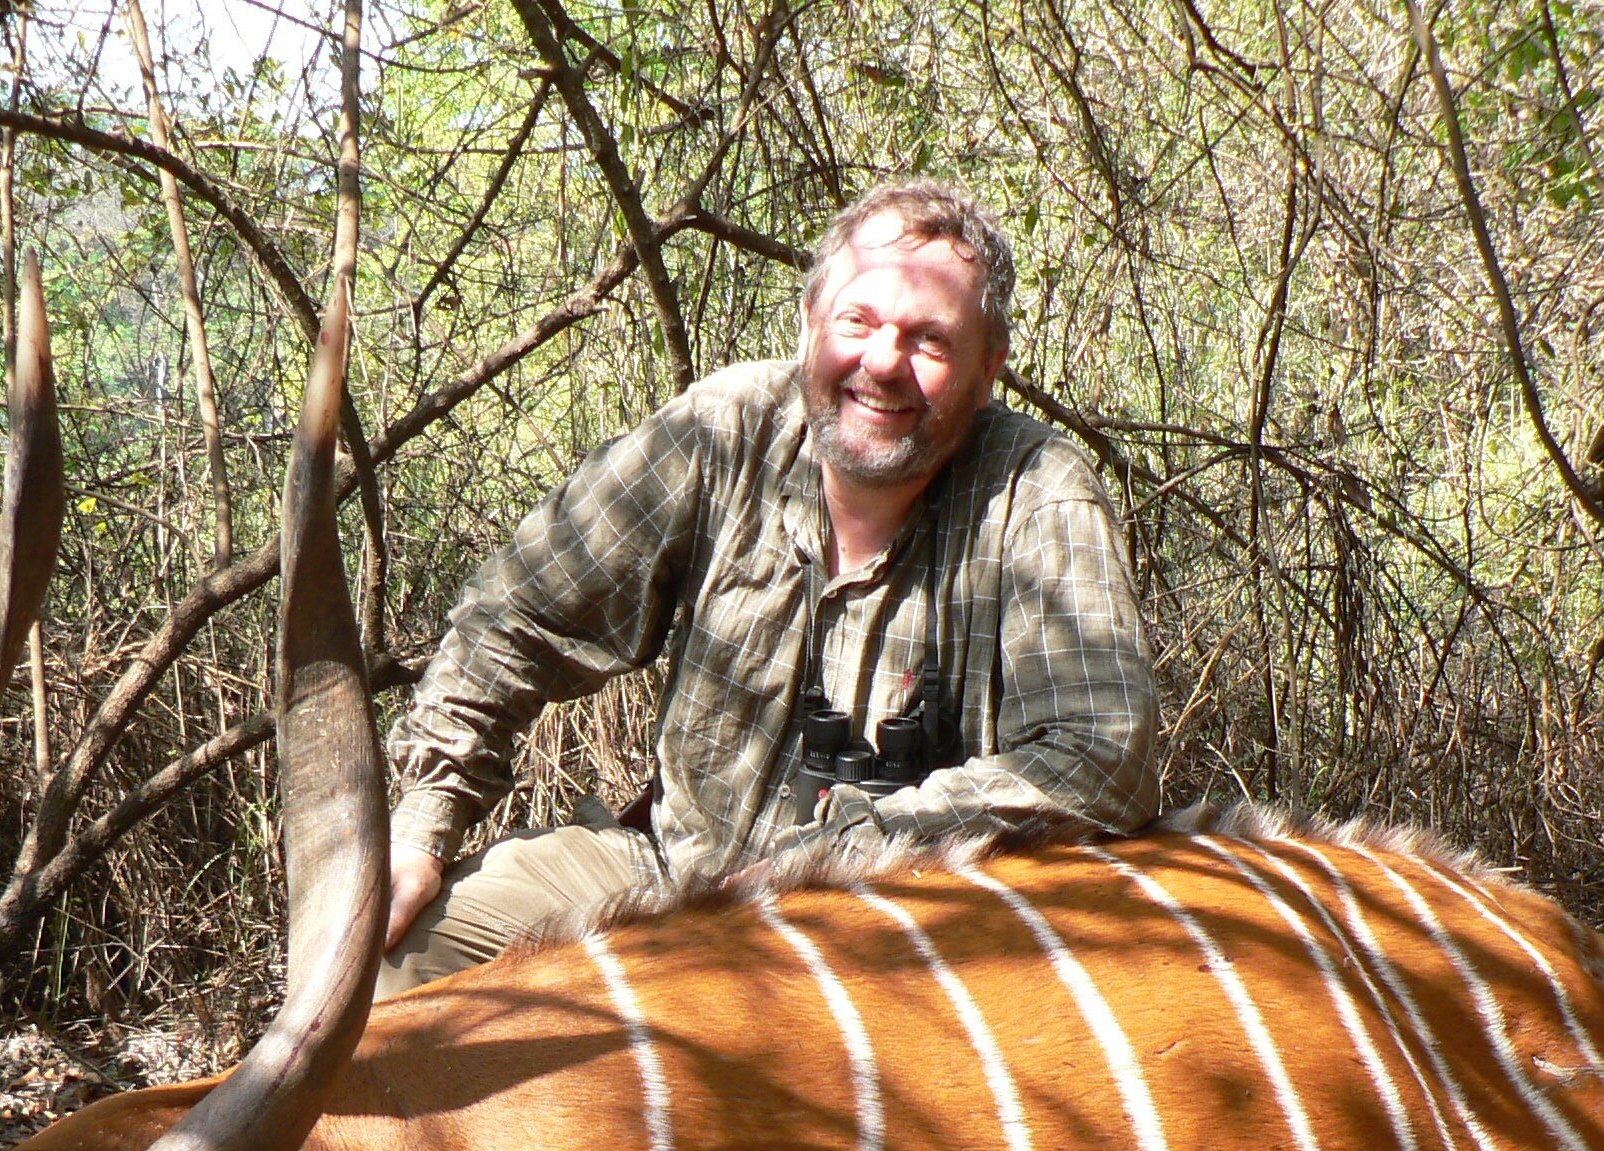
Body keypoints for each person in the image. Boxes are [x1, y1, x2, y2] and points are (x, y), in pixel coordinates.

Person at [379, 177, 1159, 997]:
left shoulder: (1037, 489)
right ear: (810, 323)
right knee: (399, 959)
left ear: (988, 366)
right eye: (857, 321)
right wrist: (426, 821)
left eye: (930, 341)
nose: (883, 362)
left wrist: (853, 848)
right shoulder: (724, 429)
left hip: (896, 930)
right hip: (670, 872)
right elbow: (514, 616)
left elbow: (1102, 755)